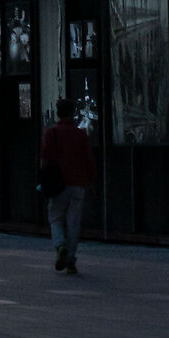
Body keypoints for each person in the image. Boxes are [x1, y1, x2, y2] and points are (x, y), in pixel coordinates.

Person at [39, 95, 97, 275]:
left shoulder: (51, 133)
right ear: (73, 113)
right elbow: (89, 160)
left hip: (58, 184)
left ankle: (60, 246)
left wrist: (44, 180)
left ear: (58, 113)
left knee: (55, 218)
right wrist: (91, 181)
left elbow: (44, 160)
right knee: (73, 222)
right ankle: (71, 259)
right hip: (78, 183)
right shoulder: (80, 135)